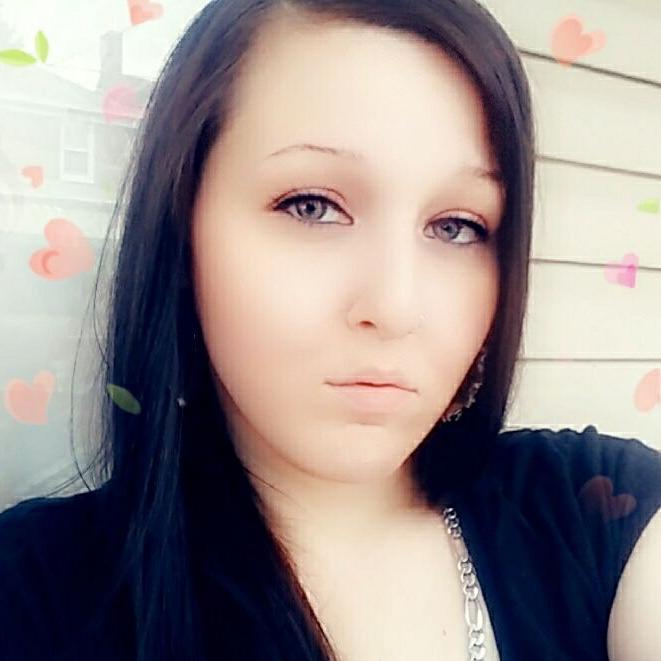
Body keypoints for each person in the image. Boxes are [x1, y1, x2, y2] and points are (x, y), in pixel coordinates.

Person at [1, 0, 660, 660]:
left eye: (456, 226)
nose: (396, 307)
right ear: (182, 230)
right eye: (312, 206)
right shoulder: (37, 595)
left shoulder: (593, 506)